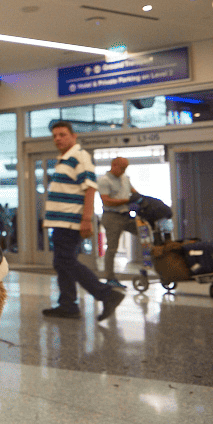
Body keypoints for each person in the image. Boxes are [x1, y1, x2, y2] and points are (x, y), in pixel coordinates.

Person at [43, 120, 125, 321]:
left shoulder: (79, 156)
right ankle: (68, 305)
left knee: (65, 261)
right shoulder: (64, 159)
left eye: (62, 134)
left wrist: (87, 219)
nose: (58, 139)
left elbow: (90, 188)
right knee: (62, 263)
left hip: (71, 221)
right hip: (61, 222)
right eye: (55, 136)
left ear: (73, 136)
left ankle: (107, 294)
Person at [98, 156, 139, 287]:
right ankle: (110, 278)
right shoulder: (104, 180)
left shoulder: (125, 178)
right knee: (112, 249)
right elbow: (106, 200)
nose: (123, 171)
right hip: (112, 217)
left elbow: (134, 193)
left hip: (126, 216)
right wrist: (127, 201)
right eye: (122, 168)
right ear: (114, 165)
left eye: (125, 168)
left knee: (145, 234)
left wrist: (141, 200)